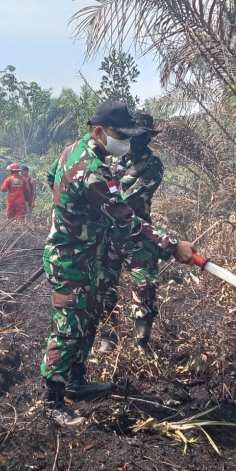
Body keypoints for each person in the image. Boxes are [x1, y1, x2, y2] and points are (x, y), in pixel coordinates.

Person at [41, 100, 196, 421]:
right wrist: (172, 244)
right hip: (72, 260)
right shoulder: (93, 170)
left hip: (89, 256)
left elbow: (52, 177)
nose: (125, 142)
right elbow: (124, 217)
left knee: (88, 318)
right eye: (120, 135)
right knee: (69, 327)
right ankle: (52, 402)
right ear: (99, 131)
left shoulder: (77, 151)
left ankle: (76, 382)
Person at [98, 110, 165, 350]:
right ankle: (108, 337)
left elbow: (129, 198)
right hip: (110, 236)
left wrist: (104, 199)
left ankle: (141, 342)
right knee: (106, 287)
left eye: (143, 135)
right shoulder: (116, 162)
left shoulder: (152, 164)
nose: (136, 139)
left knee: (145, 287)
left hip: (139, 235)